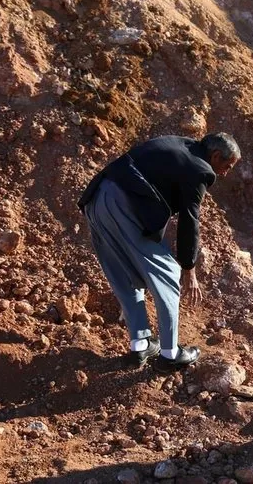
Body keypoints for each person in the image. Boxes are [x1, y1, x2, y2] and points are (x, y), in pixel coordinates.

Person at [78, 133, 241, 371]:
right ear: (215, 156)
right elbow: (189, 221)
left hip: (98, 199)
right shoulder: (200, 170)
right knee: (168, 273)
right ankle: (169, 354)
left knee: (124, 273)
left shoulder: (177, 143)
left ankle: (140, 344)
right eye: (227, 166)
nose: (225, 173)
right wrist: (189, 268)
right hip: (124, 203)